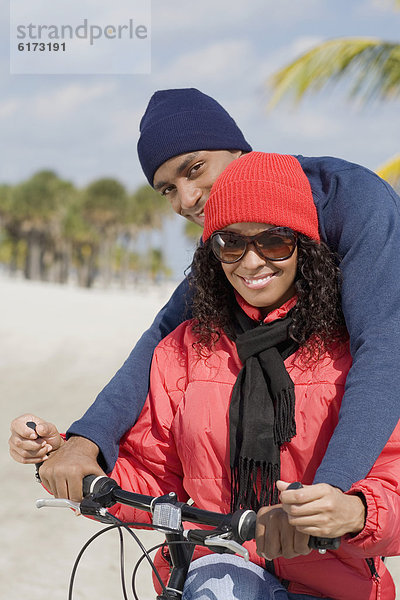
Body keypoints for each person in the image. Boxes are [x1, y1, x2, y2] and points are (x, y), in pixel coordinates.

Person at [18, 152, 400, 600]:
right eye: (231, 243)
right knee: (221, 578)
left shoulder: (353, 359)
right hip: (206, 572)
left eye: (274, 242)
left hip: (331, 587)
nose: (251, 261)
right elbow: (152, 478)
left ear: (307, 247)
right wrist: (68, 462)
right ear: (212, 253)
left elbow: (389, 486)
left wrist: (353, 513)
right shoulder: (182, 351)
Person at [9, 88, 400, 504]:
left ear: (239, 151)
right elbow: (161, 336)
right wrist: (86, 440)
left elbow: (384, 346)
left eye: (194, 169)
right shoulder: (223, 245)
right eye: (167, 190)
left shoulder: (353, 200)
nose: (187, 199)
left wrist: (334, 489)